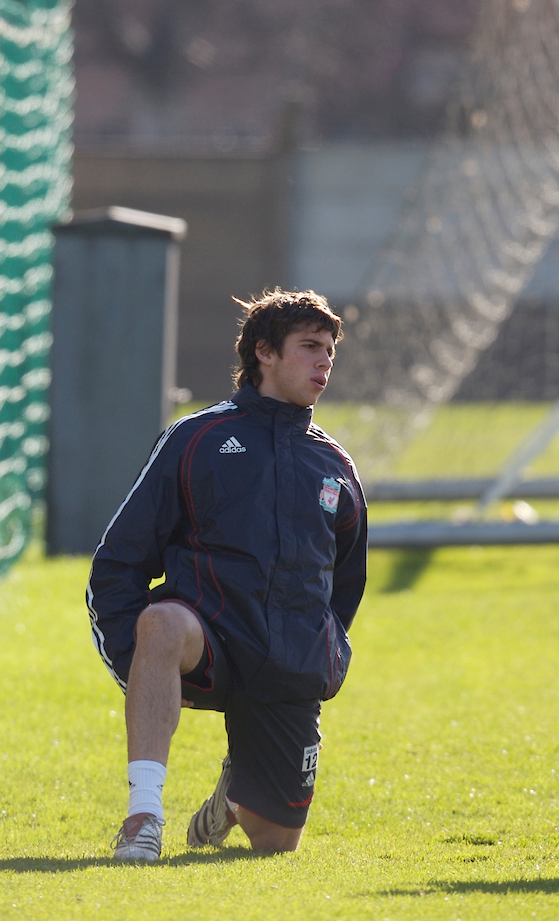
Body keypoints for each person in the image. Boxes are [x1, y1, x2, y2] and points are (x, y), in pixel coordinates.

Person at [87, 288, 367, 862]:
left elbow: (346, 584)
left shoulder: (334, 463)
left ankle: (233, 797)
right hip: (206, 641)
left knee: (274, 843)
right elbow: (118, 564)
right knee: (162, 622)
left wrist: (323, 652)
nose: (324, 363)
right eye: (310, 347)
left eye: (330, 352)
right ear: (264, 352)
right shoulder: (196, 439)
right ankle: (144, 815)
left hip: (287, 666)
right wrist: (134, 658)